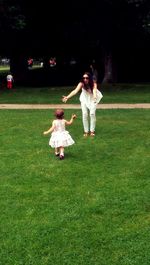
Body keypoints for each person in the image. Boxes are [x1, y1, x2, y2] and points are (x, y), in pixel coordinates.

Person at [62, 72, 103, 137]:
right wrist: (67, 97)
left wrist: (95, 97)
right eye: (84, 78)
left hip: (93, 99)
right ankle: (86, 131)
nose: (85, 79)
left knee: (92, 114)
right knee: (84, 114)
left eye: (87, 78)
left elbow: (94, 90)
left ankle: (92, 131)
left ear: (89, 78)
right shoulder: (81, 83)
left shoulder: (93, 83)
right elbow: (75, 91)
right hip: (84, 99)